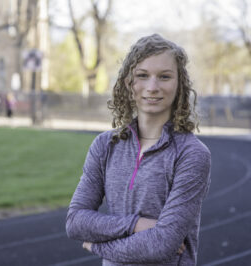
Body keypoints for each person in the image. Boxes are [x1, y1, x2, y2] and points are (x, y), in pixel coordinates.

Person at [65, 34, 211, 266]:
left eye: (164, 77)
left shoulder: (191, 154)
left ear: (179, 84)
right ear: (128, 83)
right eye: (142, 76)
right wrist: (136, 224)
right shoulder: (105, 145)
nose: (152, 87)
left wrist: (95, 245)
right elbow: (75, 222)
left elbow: (162, 245)